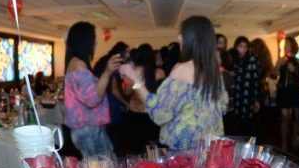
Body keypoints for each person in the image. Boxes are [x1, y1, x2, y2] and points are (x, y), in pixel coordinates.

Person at [120, 16, 228, 150]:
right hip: (210, 148)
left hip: (186, 151)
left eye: (182, 34)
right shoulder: (214, 72)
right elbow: (222, 107)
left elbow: (159, 112)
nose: (178, 38)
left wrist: (135, 80)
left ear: (192, 38)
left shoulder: (182, 69)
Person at [64, 22, 121, 159]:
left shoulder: (74, 63)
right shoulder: (78, 65)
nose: (95, 43)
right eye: (93, 38)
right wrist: (107, 72)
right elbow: (92, 99)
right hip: (88, 129)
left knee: (102, 166)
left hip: (87, 127)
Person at [123, 44, 162, 155]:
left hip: (135, 113)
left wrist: (137, 86)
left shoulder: (133, 72)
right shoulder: (159, 72)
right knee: (153, 148)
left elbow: (127, 92)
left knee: (137, 149)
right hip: (152, 115)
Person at [275, 36, 299, 152]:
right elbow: (273, 75)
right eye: (284, 44)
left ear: (293, 46)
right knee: (285, 117)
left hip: (295, 91)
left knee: (297, 117)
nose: (285, 46)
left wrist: (294, 70)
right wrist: (278, 66)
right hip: (283, 91)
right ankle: (284, 142)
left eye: (287, 44)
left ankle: (294, 139)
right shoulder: (281, 60)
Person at [232, 36, 261, 138]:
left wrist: (256, 100)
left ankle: (250, 145)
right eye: (240, 46)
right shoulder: (233, 59)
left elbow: (256, 80)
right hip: (236, 96)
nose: (243, 49)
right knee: (237, 124)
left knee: (248, 124)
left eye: (245, 47)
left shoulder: (251, 59)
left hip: (248, 95)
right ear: (236, 47)